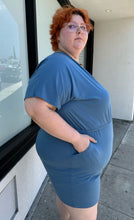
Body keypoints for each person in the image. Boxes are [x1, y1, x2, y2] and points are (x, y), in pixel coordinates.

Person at [24, 5, 113, 220]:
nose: (80, 31)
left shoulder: (71, 65)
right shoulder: (57, 63)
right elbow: (35, 107)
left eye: (84, 27)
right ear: (57, 34)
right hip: (78, 164)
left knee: (65, 199)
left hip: (75, 162)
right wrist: (78, 140)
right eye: (72, 26)